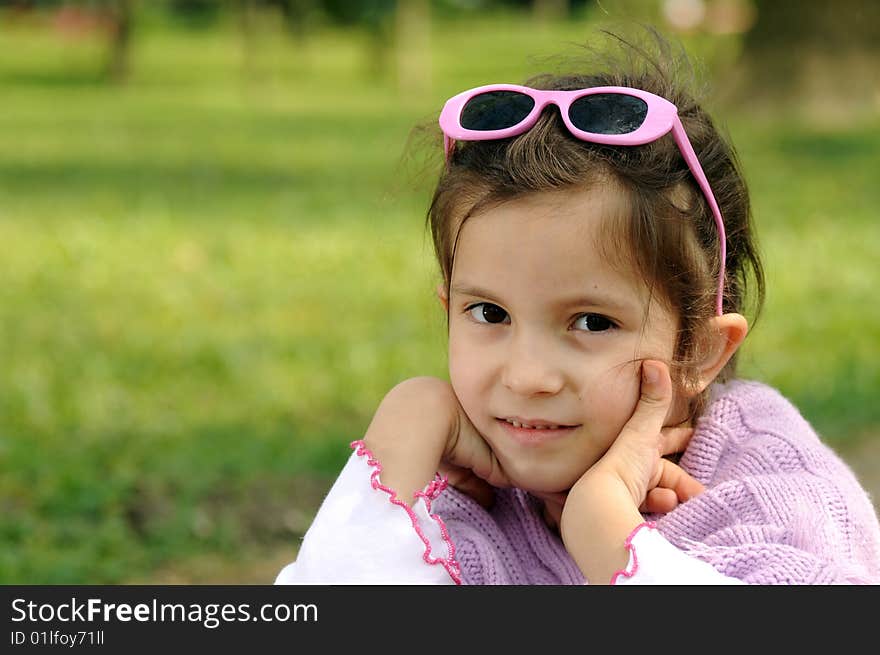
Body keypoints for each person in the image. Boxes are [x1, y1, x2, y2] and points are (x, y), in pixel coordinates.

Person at [275, 29, 880, 585]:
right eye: (489, 314)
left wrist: (606, 532)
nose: (528, 377)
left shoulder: (764, 480)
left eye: (592, 322)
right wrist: (402, 435)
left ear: (698, 349)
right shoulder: (455, 486)